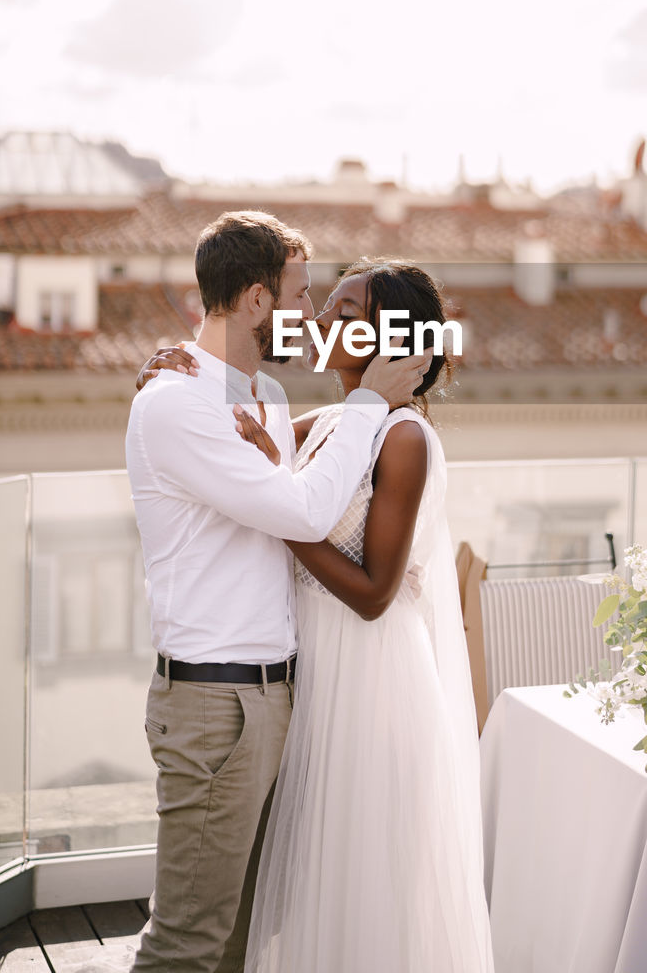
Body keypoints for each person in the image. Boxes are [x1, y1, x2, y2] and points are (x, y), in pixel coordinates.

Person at [125, 212, 432, 973]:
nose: (315, 315)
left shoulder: (256, 394)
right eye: (302, 295)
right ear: (258, 300)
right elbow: (301, 509)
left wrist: (379, 399)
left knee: (243, 935)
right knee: (187, 943)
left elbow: (304, 463)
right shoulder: (176, 404)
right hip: (215, 703)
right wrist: (370, 404)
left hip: (276, 697)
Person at [234, 260, 495, 973]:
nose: (323, 321)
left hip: (373, 682)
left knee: (364, 884)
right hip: (318, 669)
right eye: (331, 306)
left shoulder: (403, 439)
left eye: (347, 312)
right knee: (319, 878)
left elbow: (376, 592)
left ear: (392, 339)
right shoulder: (334, 421)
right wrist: (175, 366)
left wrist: (279, 514)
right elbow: (240, 419)